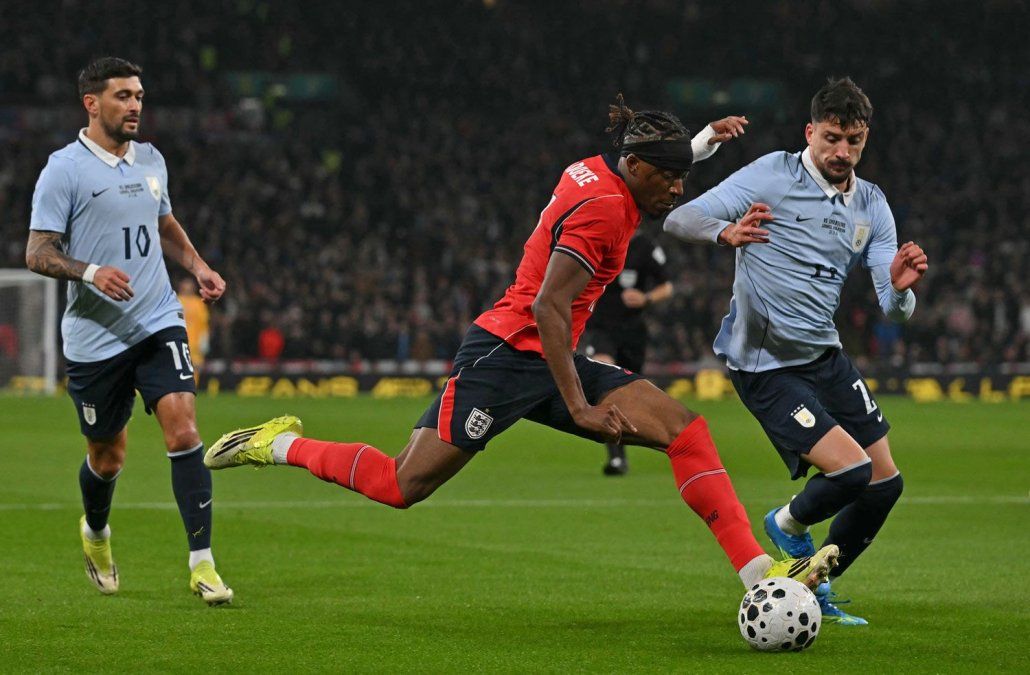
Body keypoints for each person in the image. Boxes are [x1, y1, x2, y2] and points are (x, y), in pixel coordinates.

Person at [206, 95, 840, 593]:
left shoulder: (605, 171)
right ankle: (277, 444)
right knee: (402, 485)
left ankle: (760, 574)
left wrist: (701, 143)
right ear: (638, 168)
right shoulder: (604, 211)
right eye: (670, 178)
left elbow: (652, 168)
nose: (678, 191)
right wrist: (581, 406)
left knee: (685, 431)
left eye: (682, 175)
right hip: (506, 356)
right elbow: (547, 306)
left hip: (550, 356)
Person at [663, 77, 928, 624]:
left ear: (865, 140)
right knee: (851, 473)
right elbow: (678, 217)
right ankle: (785, 524)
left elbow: (893, 307)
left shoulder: (872, 205)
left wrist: (903, 291)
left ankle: (813, 589)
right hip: (766, 366)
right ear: (810, 132)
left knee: (884, 485)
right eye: (832, 137)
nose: (841, 151)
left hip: (824, 356)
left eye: (853, 141)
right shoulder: (773, 174)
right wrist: (726, 233)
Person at [25, 57, 232, 605]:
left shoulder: (152, 159)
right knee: (107, 456)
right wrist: (91, 272)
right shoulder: (64, 170)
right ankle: (95, 531)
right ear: (91, 104)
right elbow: (37, 252)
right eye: (123, 96)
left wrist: (197, 266)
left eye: (139, 95)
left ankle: (203, 564)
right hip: (95, 337)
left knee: (184, 431)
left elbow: (163, 222)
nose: (135, 105)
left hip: (158, 318)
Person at [580, 228, 673, 475]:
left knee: (628, 396)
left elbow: (666, 287)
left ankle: (650, 441)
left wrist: (646, 298)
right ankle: (616, 458)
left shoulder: (645, 246)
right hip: (601, 329)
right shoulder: (600, 238)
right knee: (605, 383)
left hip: (633, 332)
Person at [176, 277, 210, 380]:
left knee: (196, 367)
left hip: (195, 343)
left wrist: (204, 340)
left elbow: (204, 323)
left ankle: (194, 387)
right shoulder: (175, 300)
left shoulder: (199, 302)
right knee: (178, 367)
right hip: (178, 341)